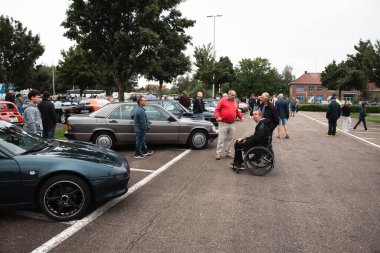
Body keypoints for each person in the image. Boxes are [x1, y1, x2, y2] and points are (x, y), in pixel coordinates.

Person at [214, 90, 243, 160]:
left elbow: (236, 111)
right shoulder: (222, 100)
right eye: (232, 95)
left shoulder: (235, 102)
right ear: (228, 94)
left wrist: (241, 117)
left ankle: (228, 153)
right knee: (221, 139)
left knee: (230, 139)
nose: (234, 97)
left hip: (232, 123)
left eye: (235, 95)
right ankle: (218, 153)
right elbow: (216, 110)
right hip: (223, 123)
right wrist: (218, 117)